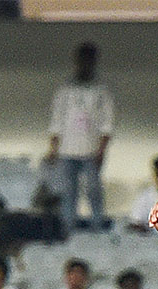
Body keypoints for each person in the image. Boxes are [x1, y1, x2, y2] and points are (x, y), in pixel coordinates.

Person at [47, 41, 114, 233]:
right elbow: (56, 120)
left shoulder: (101, 90)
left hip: (91, 150)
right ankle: (68, 229)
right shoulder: (65, 90)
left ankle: (96, 228)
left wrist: (102, 148)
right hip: (67, 150)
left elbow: (107, 124)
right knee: (68, 193)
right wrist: (53, 148)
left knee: (93, 192)